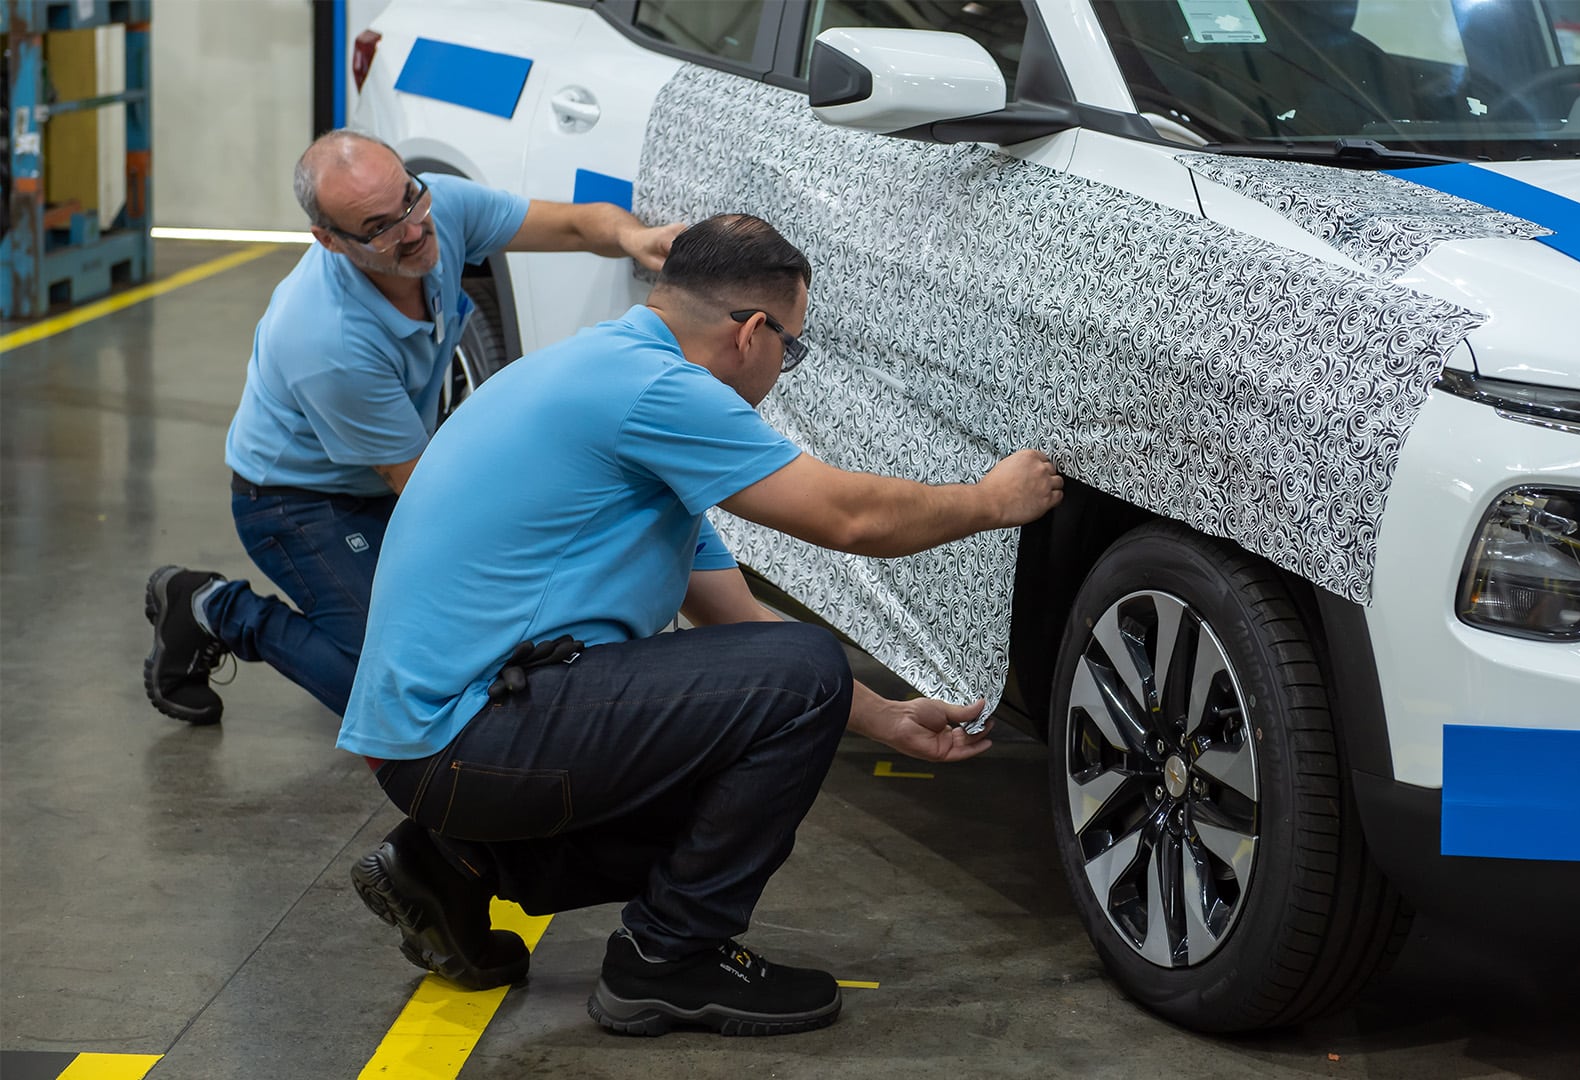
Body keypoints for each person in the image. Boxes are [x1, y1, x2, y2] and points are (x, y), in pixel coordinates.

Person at [337, 214, 1063, 1037]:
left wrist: (888, 718)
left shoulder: (606, 370)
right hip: (464, 741)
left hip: (440, 741)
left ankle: (457, 865)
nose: (784, 368)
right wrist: (992, 502)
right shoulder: (656, 392)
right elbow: (850, 517)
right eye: (791, 349)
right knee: (800, 673)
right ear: (753, 332)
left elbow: (736, 616)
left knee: (781, 694)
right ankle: (666, 960)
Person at [141, 129, 683, 725]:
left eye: (409, 198)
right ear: (329, 240)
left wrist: (639, 238)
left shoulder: (434, 207)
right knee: (399, 696)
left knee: (457, 649)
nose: (415, 228)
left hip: (386, 476)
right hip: (298, 502)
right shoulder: (328, 340)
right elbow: (426, 495)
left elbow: (577, 226)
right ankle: (211, 606)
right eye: (380, 226)